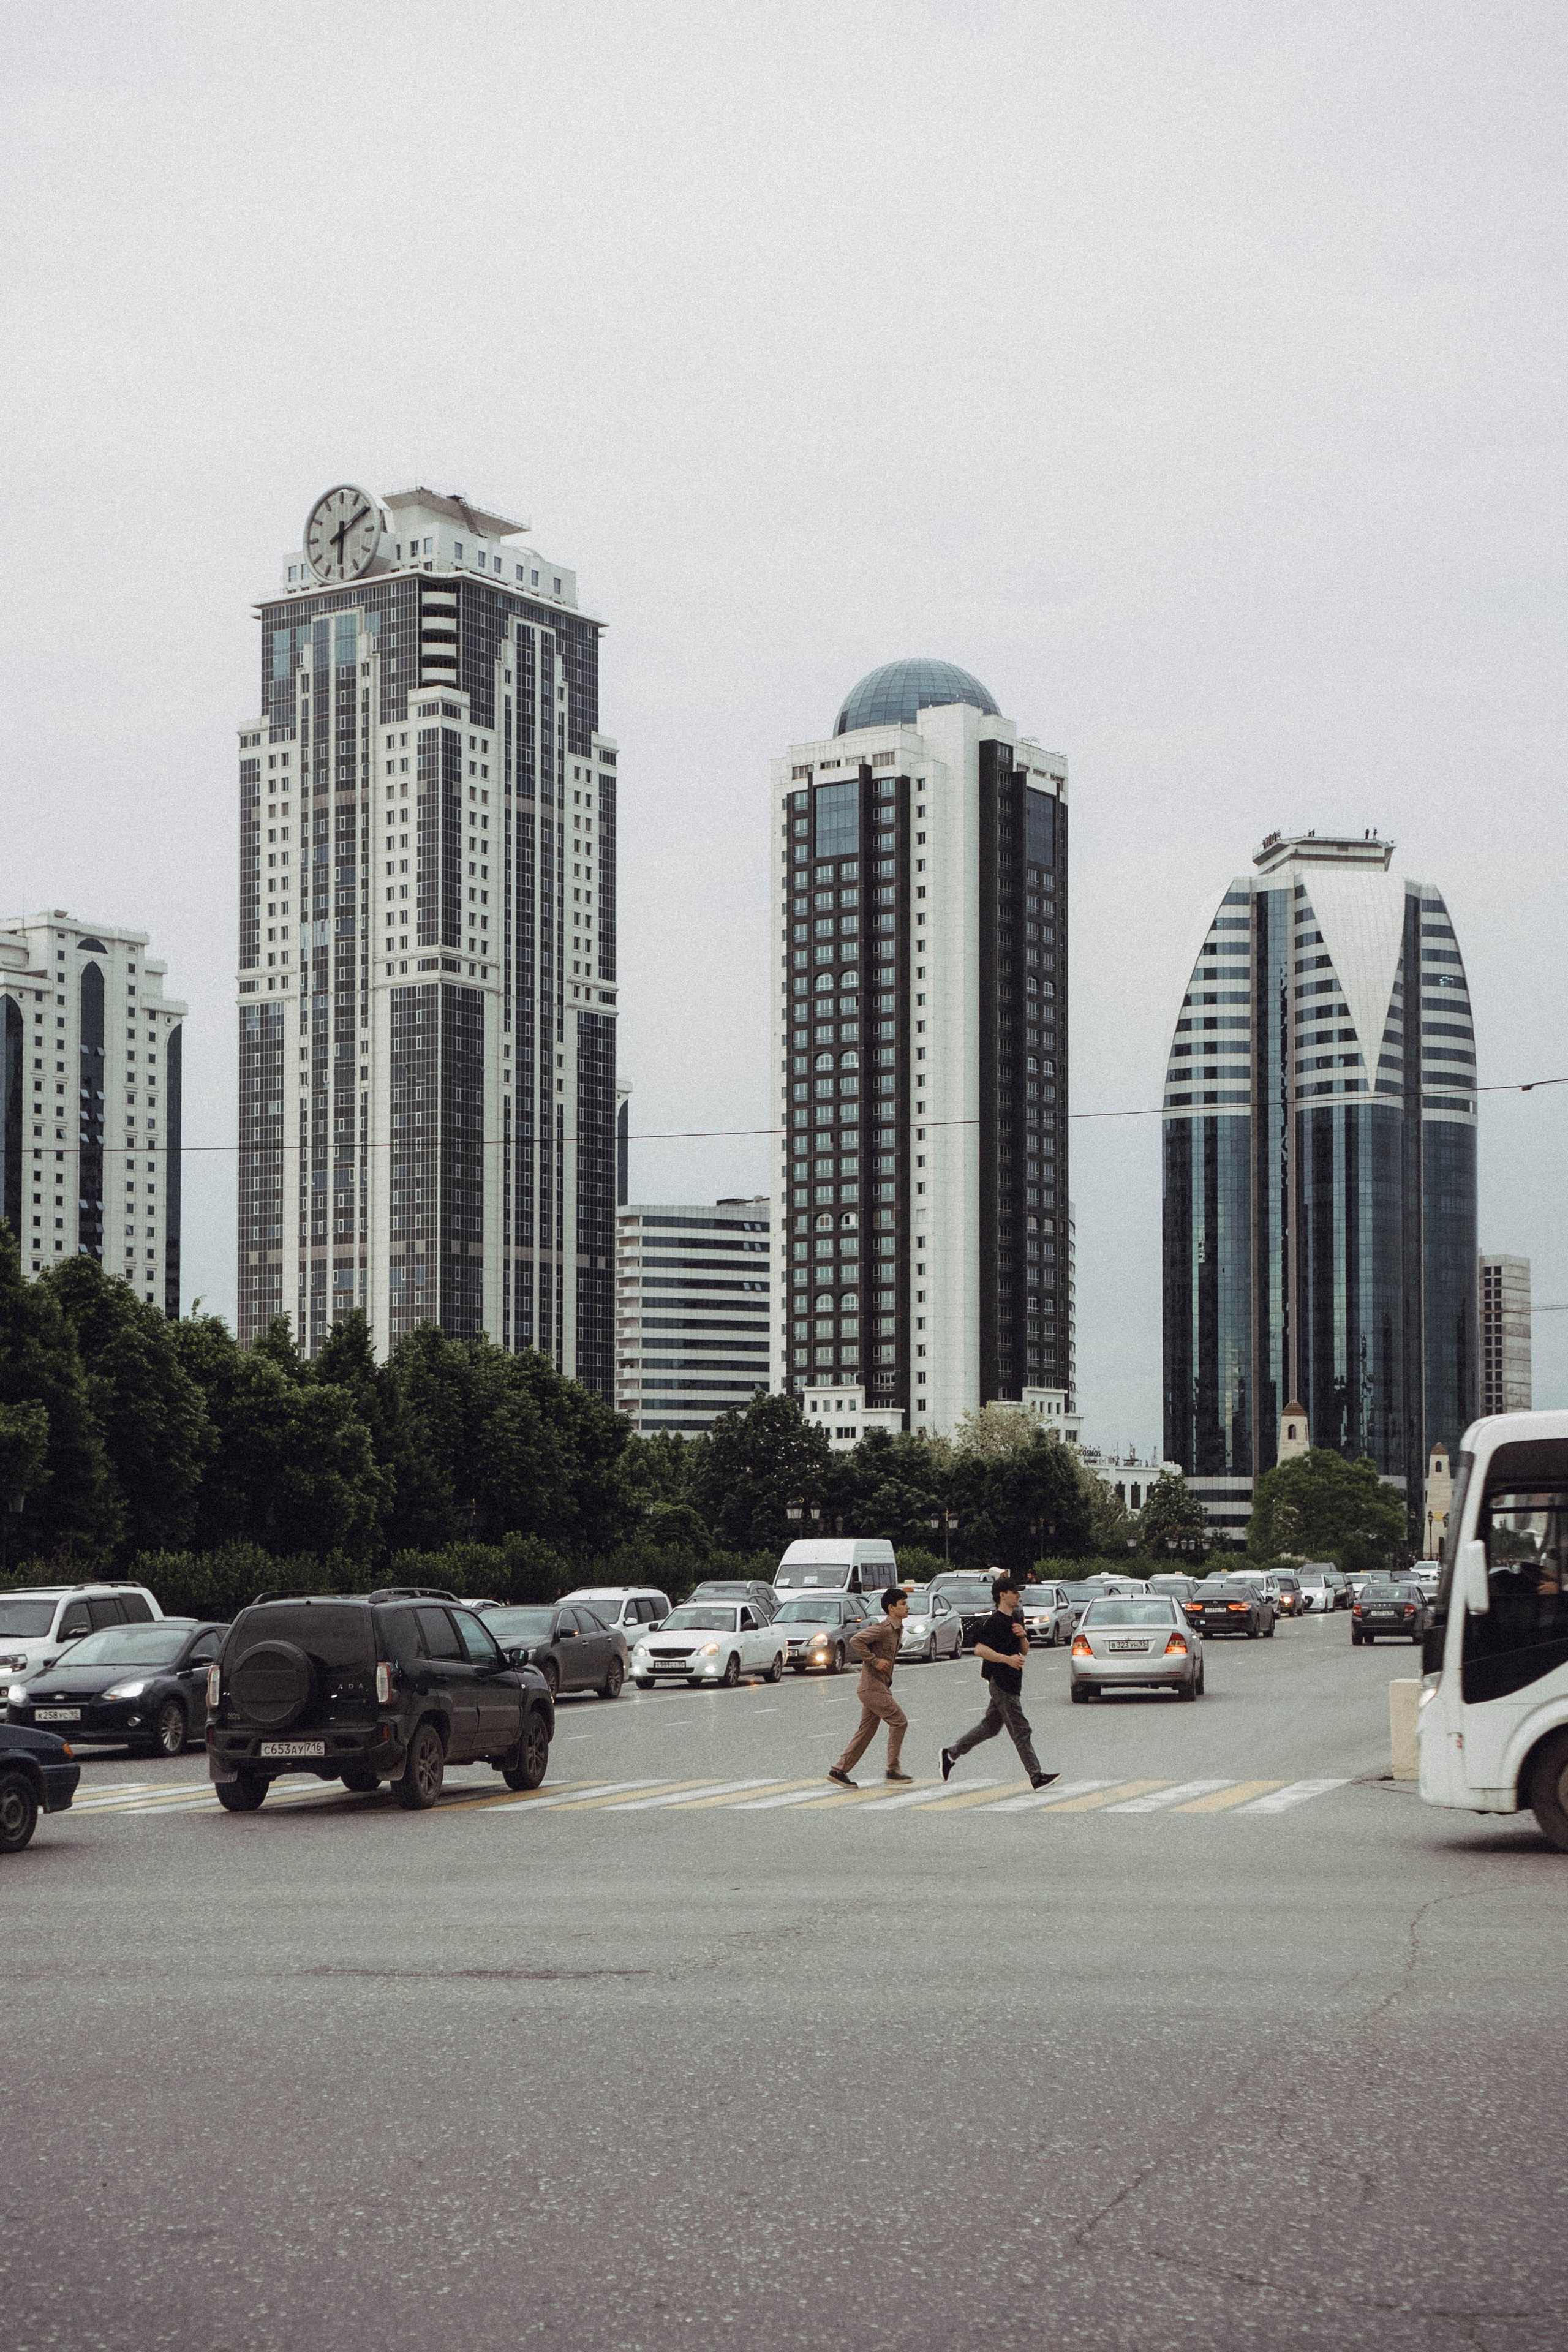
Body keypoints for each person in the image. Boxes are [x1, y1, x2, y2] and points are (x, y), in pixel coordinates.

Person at [941, 1575, 1057, 1790]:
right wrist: (1007, 1660)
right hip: (1001, 1681)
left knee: (990, 1727)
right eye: (1015, 1592)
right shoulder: (994, 1622)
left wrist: (1023, 1636)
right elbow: (979, 1650)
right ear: (1002, 1595)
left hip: (1012, 1681)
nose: (1019, 1596)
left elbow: (1024, 1651)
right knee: (1022, 1730)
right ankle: (1036, 1776)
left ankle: (950, 1754)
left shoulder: (1016, 1618)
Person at [827, 1589, 913, 1788]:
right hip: (872, 1688)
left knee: (866, 1731)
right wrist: (874, 1661)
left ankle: (838, 1771)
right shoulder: (883, 1628)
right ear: (892, 1608)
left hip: (879, 1687)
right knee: (900, 1722)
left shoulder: (897, 1629)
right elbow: (855, 1640)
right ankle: (893, 1770)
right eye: (902, 1604)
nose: (907, 1607)